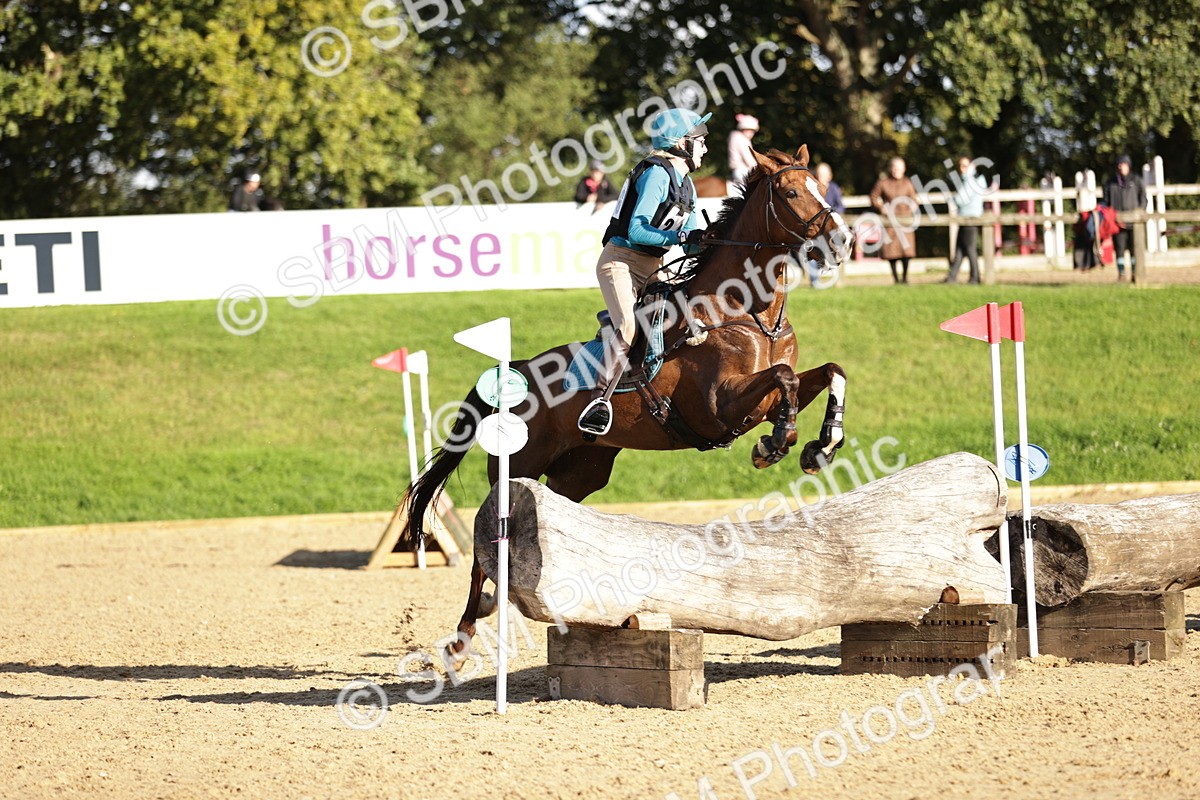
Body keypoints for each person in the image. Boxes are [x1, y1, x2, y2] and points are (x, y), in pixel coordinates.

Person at [577, 108, 712, 436]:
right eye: (700, 140)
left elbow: (690, 243)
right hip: (620, 261)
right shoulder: (657, 174)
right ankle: (598, 401)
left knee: (688, 323)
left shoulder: (687, 185)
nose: (706, 147)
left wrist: (710, 242)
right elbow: (637, 230)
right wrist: (681, 237)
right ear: (680, 143)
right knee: (628, 327)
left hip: (654, 267)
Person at [869, 158, 918, 283]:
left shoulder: (908, 183)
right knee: (891, 251)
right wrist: (881, 207)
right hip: (890, 222)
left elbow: (914, 199)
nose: (897, 170)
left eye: (899, 168)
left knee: (906, 251)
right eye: (895, 167)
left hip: (905, 221)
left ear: (904, 169)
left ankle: (905, 278)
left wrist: (912, 208)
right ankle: (896, 279)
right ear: (890, 168)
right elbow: (874, 197)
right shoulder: (883, 183)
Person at [1102, 155, 1147, 281]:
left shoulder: (1136, 180)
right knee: (1119, 249)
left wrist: (1139, 212)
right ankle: (1121, 274)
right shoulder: (1110, 183)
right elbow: (1106, 202)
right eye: (1120, 164)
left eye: (1124, 164)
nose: (1122, 167)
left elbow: (1143, 198)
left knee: (1134, 248)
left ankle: (1135, 273)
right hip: (1117, 222)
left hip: (1134, 222)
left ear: (1129, 166)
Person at [944, 156, 988, 284]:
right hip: (966, 218)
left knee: (969, 248)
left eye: (965, 166)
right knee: (960, 249)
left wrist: (952, 199)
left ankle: (975, 277)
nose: (962, 169)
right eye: (961, 166)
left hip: (970, 218)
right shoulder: (973, 180)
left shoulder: (970, 181)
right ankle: (952, 277)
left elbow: (961, 199)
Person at [727, 113, 759, 188]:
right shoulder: (741, 139)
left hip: (737, 170)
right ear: (743, 129)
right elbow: (748, 158)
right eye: (749, 130)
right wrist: (758, 167)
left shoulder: (735, 137)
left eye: (753, 131)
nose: (751, 133)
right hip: (743, 169)